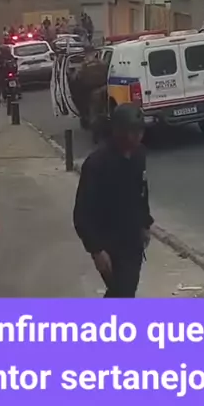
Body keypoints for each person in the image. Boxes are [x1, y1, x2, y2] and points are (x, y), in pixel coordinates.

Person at [73, 103, 153, 298]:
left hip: (133, 239)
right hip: (108, 241)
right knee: (122, 292)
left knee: (124, 292)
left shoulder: (139, 155)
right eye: (132, 132)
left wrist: (145, 223)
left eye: (140, 132)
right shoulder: (97, 164)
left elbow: (142, 191)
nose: (138, 137)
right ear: (119, 132)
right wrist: (96, 250)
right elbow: (82, 213)